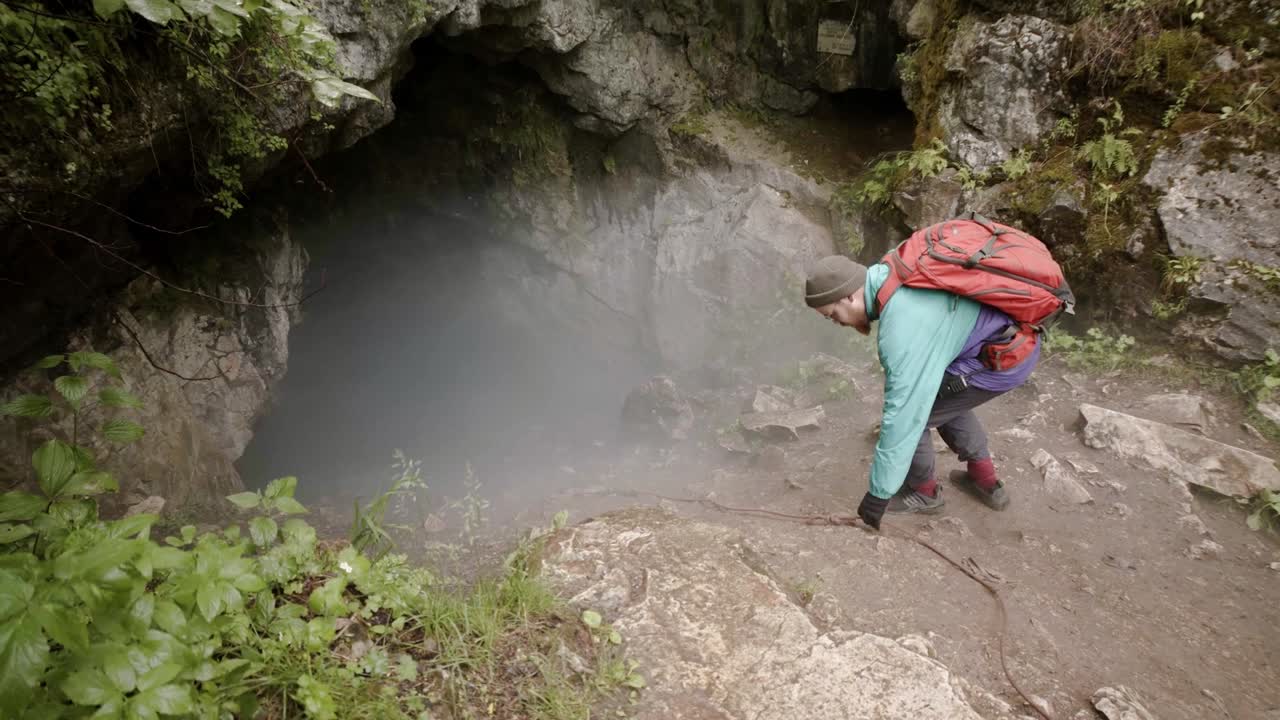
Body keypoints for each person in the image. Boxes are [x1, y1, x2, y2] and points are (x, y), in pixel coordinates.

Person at [804, 254, 1040, 530]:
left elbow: (904, 416)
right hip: (1012, 339)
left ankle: (925, 493)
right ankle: (985, 480)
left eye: (832, 314)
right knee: (939, 398)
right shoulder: (894, 270)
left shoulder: (901, 330)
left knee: (918, 413)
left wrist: (878, 496)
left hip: (1001, 358)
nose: (836, 322)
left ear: (848, 297)